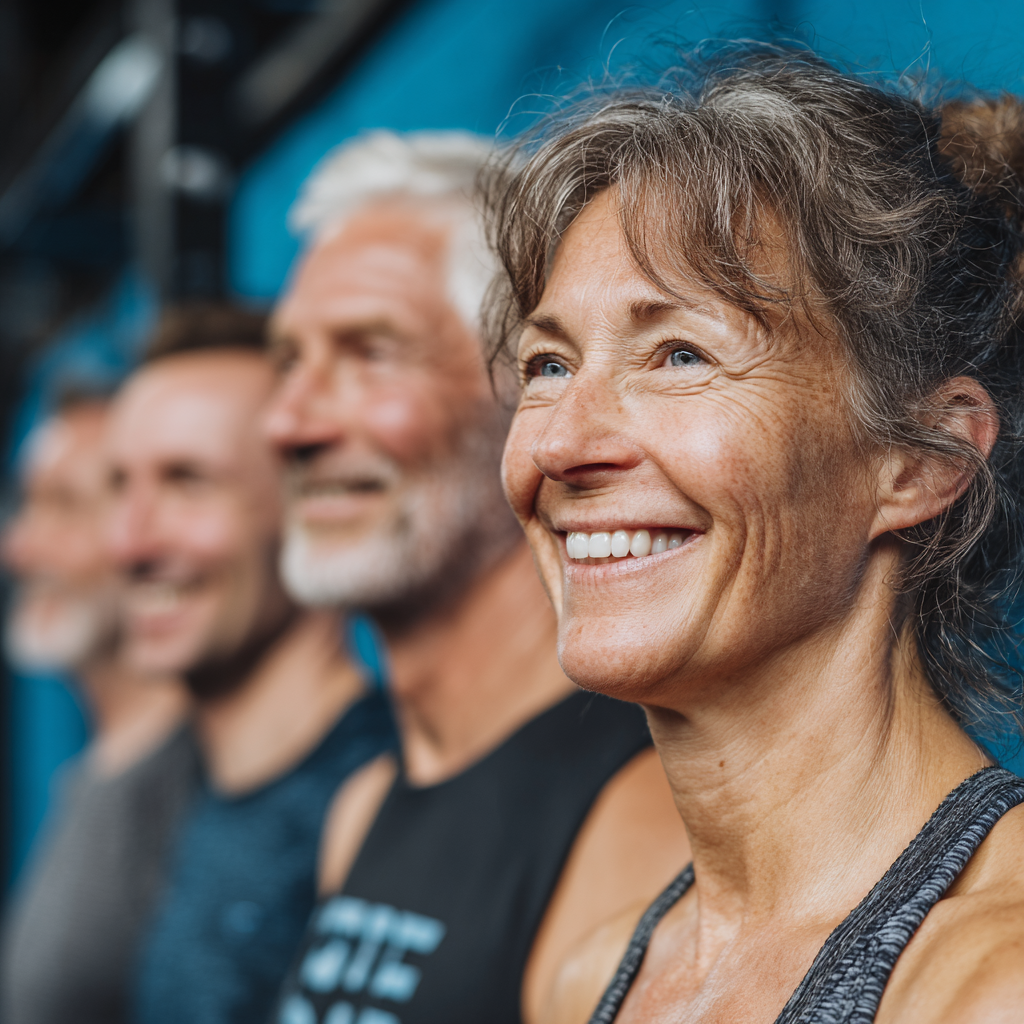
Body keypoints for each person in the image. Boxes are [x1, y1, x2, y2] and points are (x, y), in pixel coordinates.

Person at [488, 46, 1024, 1024]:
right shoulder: (589, 978)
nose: (561, 444)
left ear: (921, 462)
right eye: (548, 364)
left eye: (679, 352)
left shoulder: (994, 981)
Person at [266, 130, 690, 1024]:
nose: (289, 423)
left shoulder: (641, 820)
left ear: (532, 393)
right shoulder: (364, 806)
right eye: (289, 361)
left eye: (370, 350)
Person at [104, 304, 395, 1024]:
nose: (131, 542)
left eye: (187, 481)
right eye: (119, 485)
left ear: (310, 504)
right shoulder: (185, 790)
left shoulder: (378, 796)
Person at [0, 391, 195, 1024]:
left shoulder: (198, 790)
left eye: (64, 506)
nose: (20, 550)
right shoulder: (94, 776)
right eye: (27, 504)